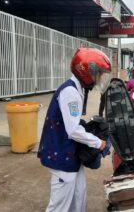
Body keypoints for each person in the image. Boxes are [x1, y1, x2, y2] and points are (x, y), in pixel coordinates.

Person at [37, 48, 111, 212]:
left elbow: (72, 122)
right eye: (98, 74)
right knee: (60, 206)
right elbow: (73, 130)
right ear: (86, 71)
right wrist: (98, 143)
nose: (99, 78)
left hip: (69, 154)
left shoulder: (76, 89)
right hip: (62, 154)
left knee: (79, 197)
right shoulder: (70, 92)